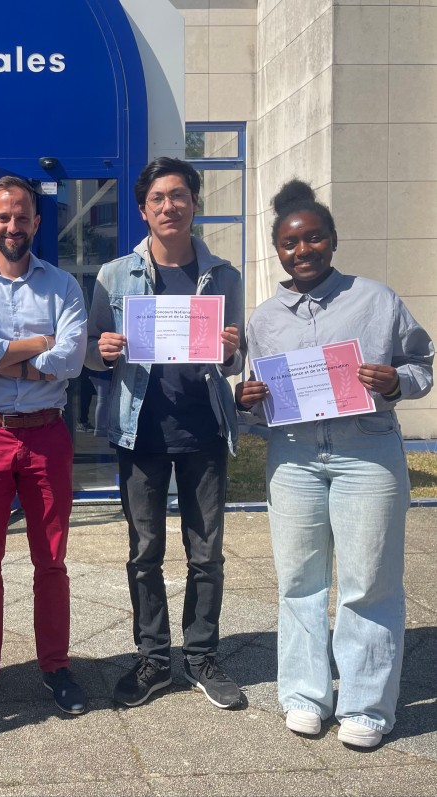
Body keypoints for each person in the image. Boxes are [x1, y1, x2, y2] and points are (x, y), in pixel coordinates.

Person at [235, 180, 434, 747]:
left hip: (366, 452)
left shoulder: (376, 299)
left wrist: (396, 381)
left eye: (314, 238)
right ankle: (304, 694)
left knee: (369, 581)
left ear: (333, 239)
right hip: (294, 457)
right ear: (278, 250)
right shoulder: (265, 318)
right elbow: (262, 397)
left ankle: (366, 706)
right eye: (290, 243)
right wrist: (247, 400)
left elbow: (421, 364)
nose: (303, 250)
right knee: (299, 579)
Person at [86, 157, 244, 710]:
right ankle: (153, 657)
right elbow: (92, 354)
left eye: (179, 195)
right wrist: (103, 350)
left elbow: (231, 357)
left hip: (204, 431)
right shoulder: (114, 275)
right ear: (142, 209)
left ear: (194, 203)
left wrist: (231, 350)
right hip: (141, 432)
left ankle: (201, 655)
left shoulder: (224, 276)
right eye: (158, 198)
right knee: (144, 552)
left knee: (207, 554)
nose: (169, 206)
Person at [0, 176, 88, 717]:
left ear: (36, 222)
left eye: (22, 216)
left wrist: (0, 352)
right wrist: (35, 346)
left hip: (47, 434)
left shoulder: (63, 285)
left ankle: (56, 665)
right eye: (2, 217)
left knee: (51, 560)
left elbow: (70, 360)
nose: (12, 225)